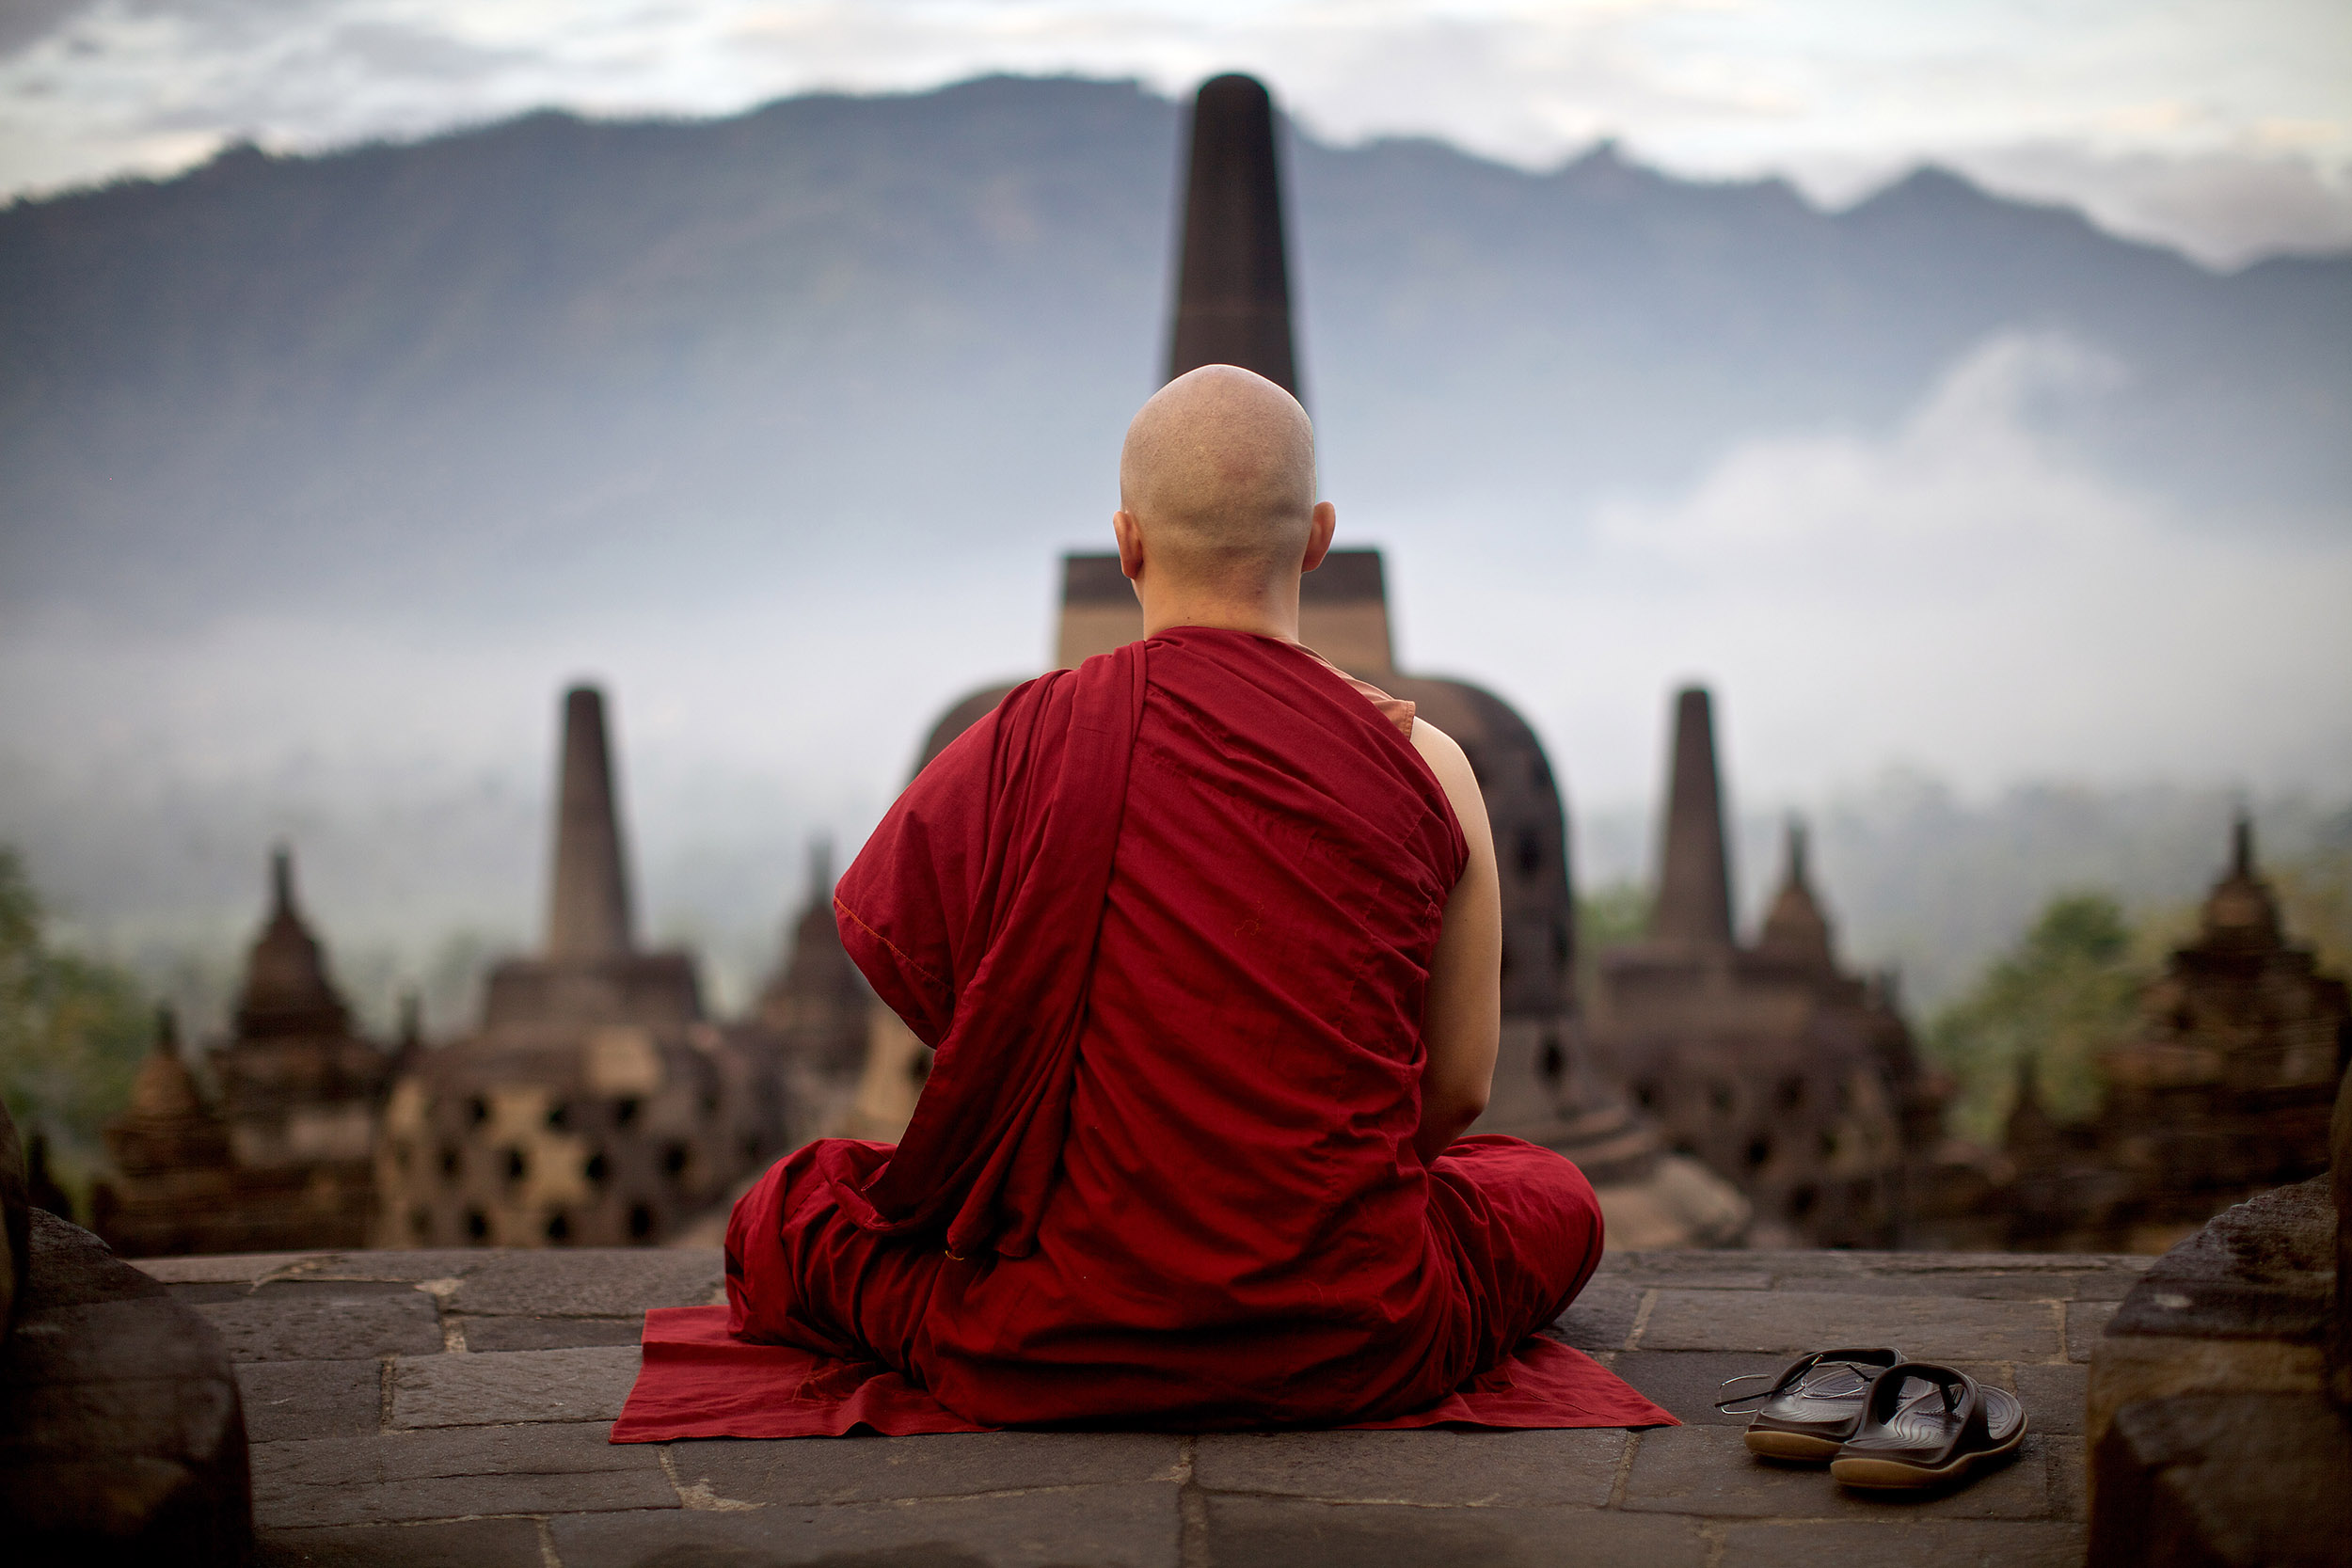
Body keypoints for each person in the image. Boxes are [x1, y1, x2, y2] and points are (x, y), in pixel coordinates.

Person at [723, 365, 1611, 1429]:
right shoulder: (1429, 762)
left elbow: (960, 1028)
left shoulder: (1023, 738)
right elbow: (1459, 1092)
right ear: (1318, 537)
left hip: (1046, 1328)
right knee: (1553, 1194)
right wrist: (1307, 1197)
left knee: (790, 1208)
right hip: (1356, 1331)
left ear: (1127, 543)